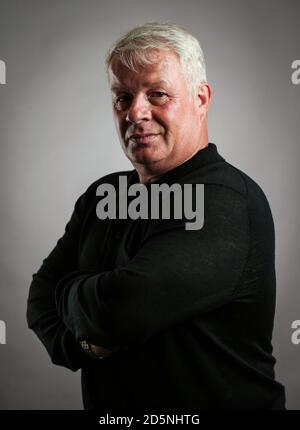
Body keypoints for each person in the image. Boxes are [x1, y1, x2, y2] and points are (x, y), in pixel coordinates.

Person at [26, 21, 286, 410]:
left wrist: (72, 289)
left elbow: (120, 310)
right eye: (122, 97)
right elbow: (38, 300)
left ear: (201, 99)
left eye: (158, 94)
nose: (136, 113)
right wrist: (86, 346)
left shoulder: (227, 201)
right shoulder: (103, 195)